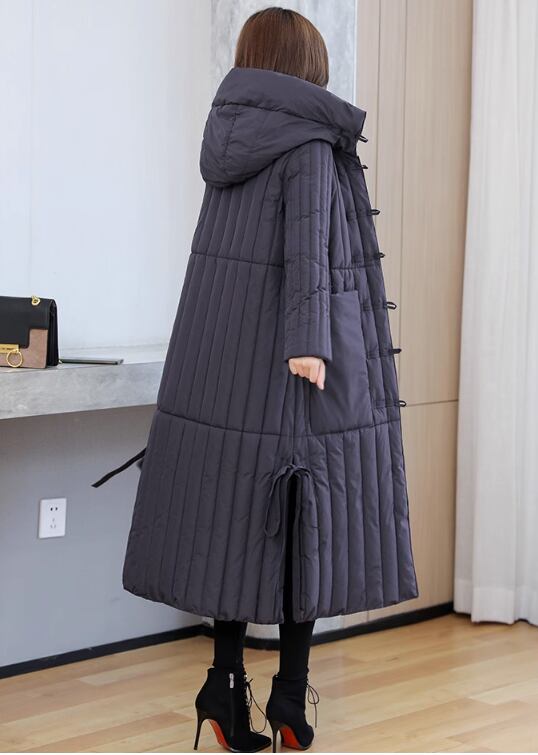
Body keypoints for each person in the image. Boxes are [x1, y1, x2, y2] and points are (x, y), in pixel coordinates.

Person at [93, 6, 418, 753]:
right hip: (292, 366)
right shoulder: (307, 142)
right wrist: (310, 344)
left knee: (233, 525)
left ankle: (223, 685)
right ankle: (291, 699)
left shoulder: (230, 137)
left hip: (221, 364)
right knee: (306, 518)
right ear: (305, 64)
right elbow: (308, 247)